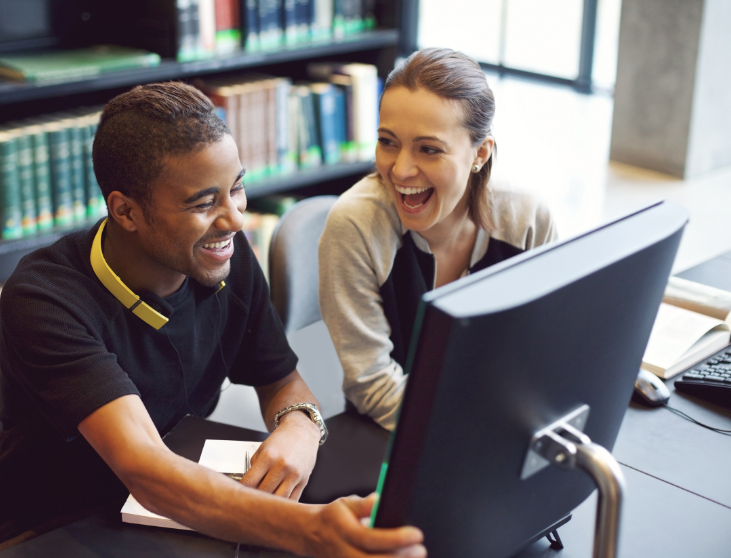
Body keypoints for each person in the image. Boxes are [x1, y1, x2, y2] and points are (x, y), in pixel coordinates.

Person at [0, 82, 425, 558]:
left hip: (174, 504)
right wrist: (311, 530)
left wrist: (301, 427)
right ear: (126, 211)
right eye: (204, 203)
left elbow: (281, 380)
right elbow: (144, 468)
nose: (235, 220)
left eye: (236, 188)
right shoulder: (43, 298)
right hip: (54, 525)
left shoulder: (223, 256)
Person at [319, 48, 558, 430]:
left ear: (480, 153)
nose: (400, 169)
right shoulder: (356, 225)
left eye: (429, 149)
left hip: (500, 419)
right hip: (391, 430)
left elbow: (547, 343)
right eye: (388, 141)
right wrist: (476, 429)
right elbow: (373, 385)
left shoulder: (526, 219)